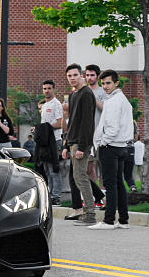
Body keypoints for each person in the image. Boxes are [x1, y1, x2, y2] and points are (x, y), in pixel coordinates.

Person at [89, 69, 133, 230]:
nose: (105, 86)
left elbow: (112, 128)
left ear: (116, 83)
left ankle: (108, 221)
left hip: (111, 146)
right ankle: (123, 220)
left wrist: (101, 143)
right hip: (121, 147)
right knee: (118, 184)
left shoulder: (114, 101)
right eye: (103, 84)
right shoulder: (122, 100)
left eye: (108, 83)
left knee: (110, 184)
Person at [62, 63, 97, 226]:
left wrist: (82, 148)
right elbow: (72, 122)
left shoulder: (86, 93)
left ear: (81, 75)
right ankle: (87, 212)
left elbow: (87, 123)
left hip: (81, 143)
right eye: (69, 76)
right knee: (78, 177)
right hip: (73, 141)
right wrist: (66, 144)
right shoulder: (73, 95)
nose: (72, 78)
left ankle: (90, 214)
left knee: (81, 177)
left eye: (75, 75)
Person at [37, 80, 63, 205]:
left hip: (55, 141)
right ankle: (50, 194)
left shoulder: (56, 104)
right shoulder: (45, 105)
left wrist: (45, 129)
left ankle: (56, 196)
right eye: (44, 88)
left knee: (54, 170)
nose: (46, 91)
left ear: (54, 89)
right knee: (47, 170)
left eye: (49, 88)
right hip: (45, 143)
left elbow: (59, 123)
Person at [85, 64, 107, 185]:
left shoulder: (103, 91)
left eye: (92, 75)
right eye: (87, 75)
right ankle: (94, 195)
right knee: (88, 168)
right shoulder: (83, 91)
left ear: (97, 77)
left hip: (101, 135)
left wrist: (92, 98)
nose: (89, 78)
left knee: (103, 167)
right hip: (87, 136)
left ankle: (103, 196)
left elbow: (105, 109)